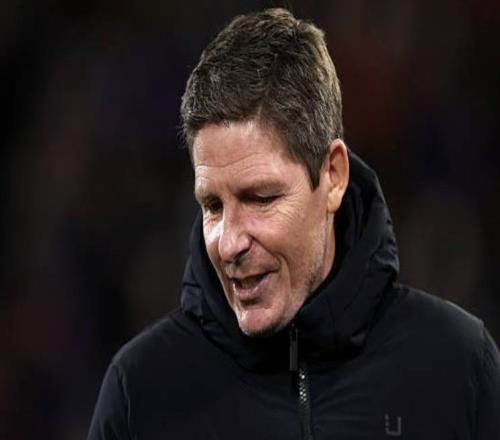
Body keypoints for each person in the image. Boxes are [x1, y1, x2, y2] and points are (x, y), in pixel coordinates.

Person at [88, 8, 500, 440]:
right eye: (212, 205)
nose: (228, 244)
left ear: (333, 176)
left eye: (260, 199)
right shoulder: (140, 393)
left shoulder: (459, 367)